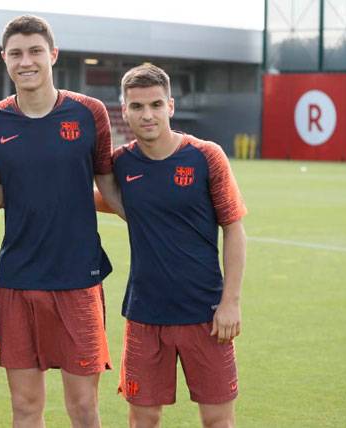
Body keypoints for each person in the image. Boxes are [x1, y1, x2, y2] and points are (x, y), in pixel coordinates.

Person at [0, 15, 123, 428]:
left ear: (53, 54)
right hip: (18, 279)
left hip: (78, 278)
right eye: (16, 53)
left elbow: (109, 188)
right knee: (25, 407)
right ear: (4, 59)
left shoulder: (89, 113)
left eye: (35, 51)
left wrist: (160, 220)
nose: (26, 61)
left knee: (83, 407)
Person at [112, 63, 246, 428]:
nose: (147, 114)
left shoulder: (206, 156)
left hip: (206, 314)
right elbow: (100, 196)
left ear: (170, 106)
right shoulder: (121, 162)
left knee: (217, 419)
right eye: (137, 106)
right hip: (144, 314)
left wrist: (230, 302)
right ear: (124, 110)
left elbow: (234, 229)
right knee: (143, 418)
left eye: (156, 104)